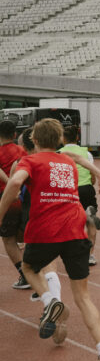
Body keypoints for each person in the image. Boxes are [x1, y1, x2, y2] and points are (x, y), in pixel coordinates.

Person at [0, 118, 100, 361]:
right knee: (83, 296)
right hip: (75, 231)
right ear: (61, 141)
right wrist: (99, 172)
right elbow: (79, 159)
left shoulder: (29, 161)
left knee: (30, 269)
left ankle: (49, 300)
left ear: (33, 140)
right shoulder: (66, 158)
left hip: (45, 230)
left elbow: (13, 183)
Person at [58, 125, 100, 266]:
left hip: (70, 191)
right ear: (77, 137)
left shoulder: (59, 153)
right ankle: (90, 255)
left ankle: (73, 252)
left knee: (70, 223)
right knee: (91, 222)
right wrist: (90, 184)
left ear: (62, 138)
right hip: (86, 188)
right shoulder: (86, 153)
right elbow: (92, 174)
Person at [0, 120, 29, 290]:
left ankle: (25, 274)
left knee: (8, 239)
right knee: (23, 235)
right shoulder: (22, 151)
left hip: (6, 198)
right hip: (24, 198)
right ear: (14, 135)